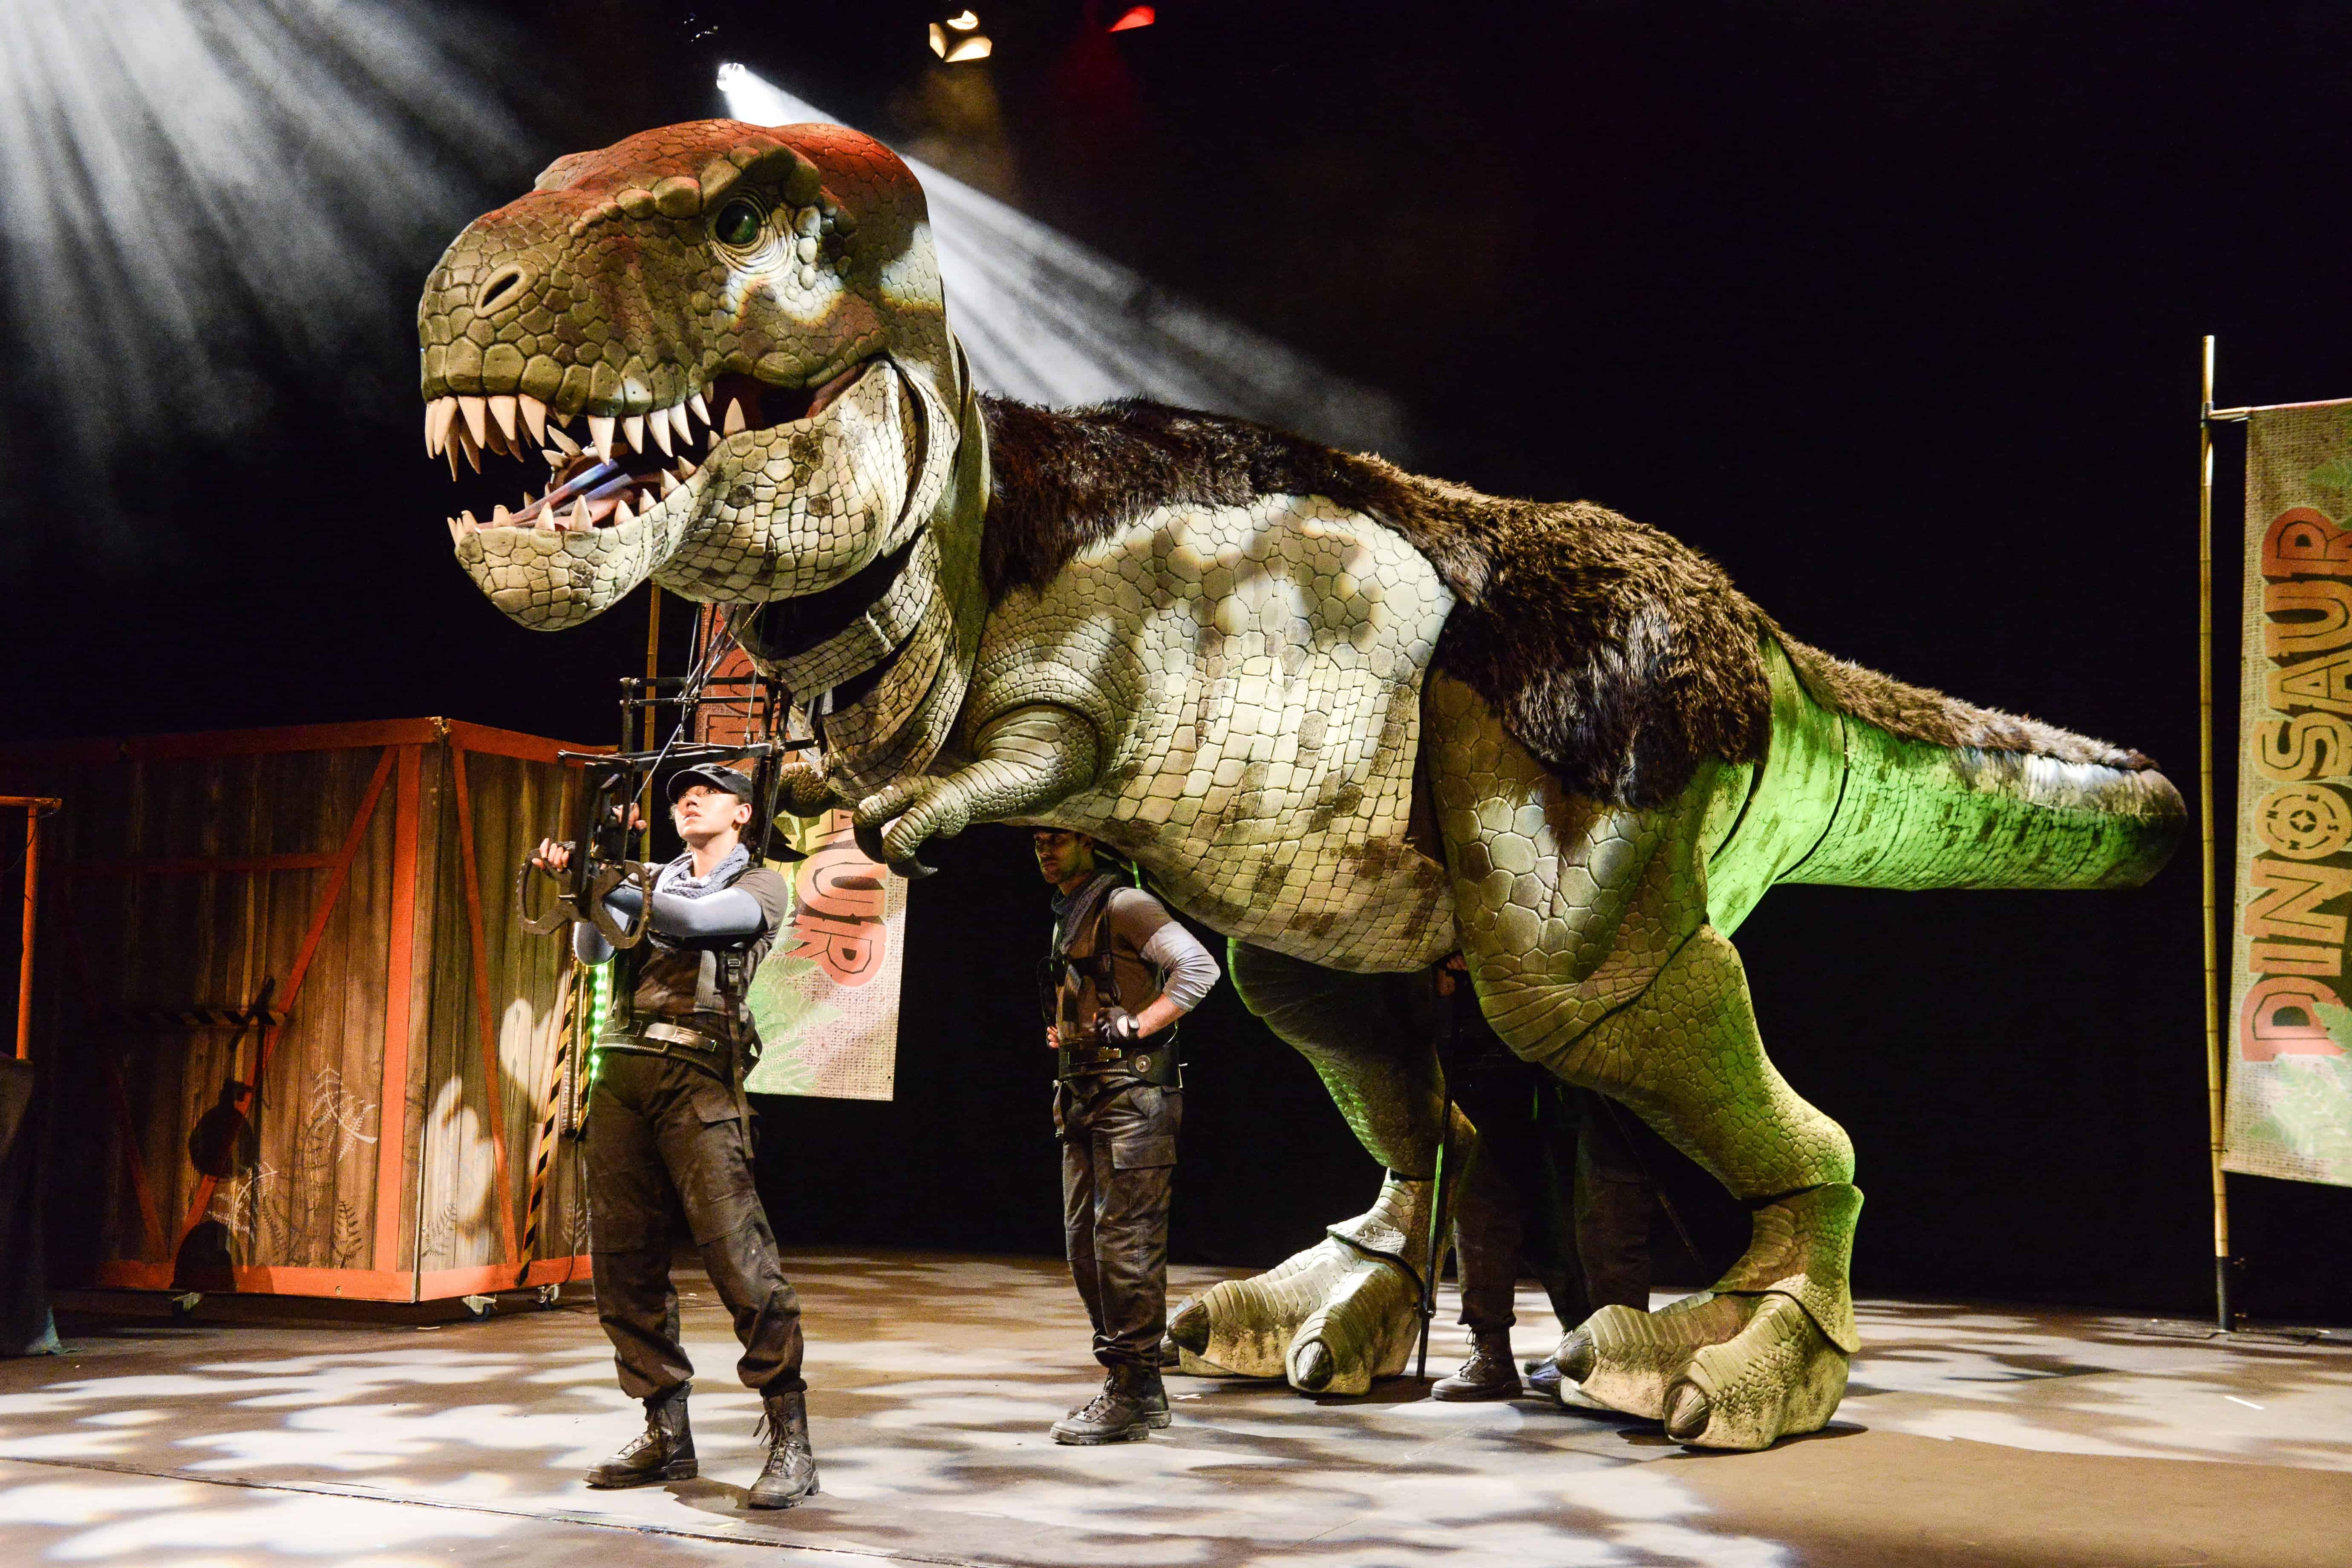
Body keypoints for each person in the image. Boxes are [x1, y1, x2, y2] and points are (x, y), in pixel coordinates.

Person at [532, 765, 816, 1507]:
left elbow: (692, 923)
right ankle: (665, 1432)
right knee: (624, 1261)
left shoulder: (760, 886)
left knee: (739, 1257)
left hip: (698, 1077)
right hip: (622, 1071)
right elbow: (594, 952)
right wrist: (592, 878)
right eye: (681, 794)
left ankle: (790, 1437)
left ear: (744, 813)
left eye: (709, 791)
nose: (688, 799)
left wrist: (605, 876)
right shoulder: (649, 877)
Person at [1033, 827, 1222, 1444]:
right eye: (1038, 839)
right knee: (1085, 1247)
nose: (1046, 850)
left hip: (1132, 1095)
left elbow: (1199, 967)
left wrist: (1138, 1024)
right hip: (1084, 1092)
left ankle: (1134, 1388)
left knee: (1125, 1246)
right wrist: (1069, 1028)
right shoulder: (1072, 910)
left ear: (1090, 840)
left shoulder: (1124, 903)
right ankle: (1132, 1379)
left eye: (1058, 838)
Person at [1427, 952, 1659, 1401]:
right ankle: (1494, 1352)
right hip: (1512, 1055)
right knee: (1483, 1204)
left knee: (1599, 1211)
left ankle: (1613, 1356)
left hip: (1593, 1043)